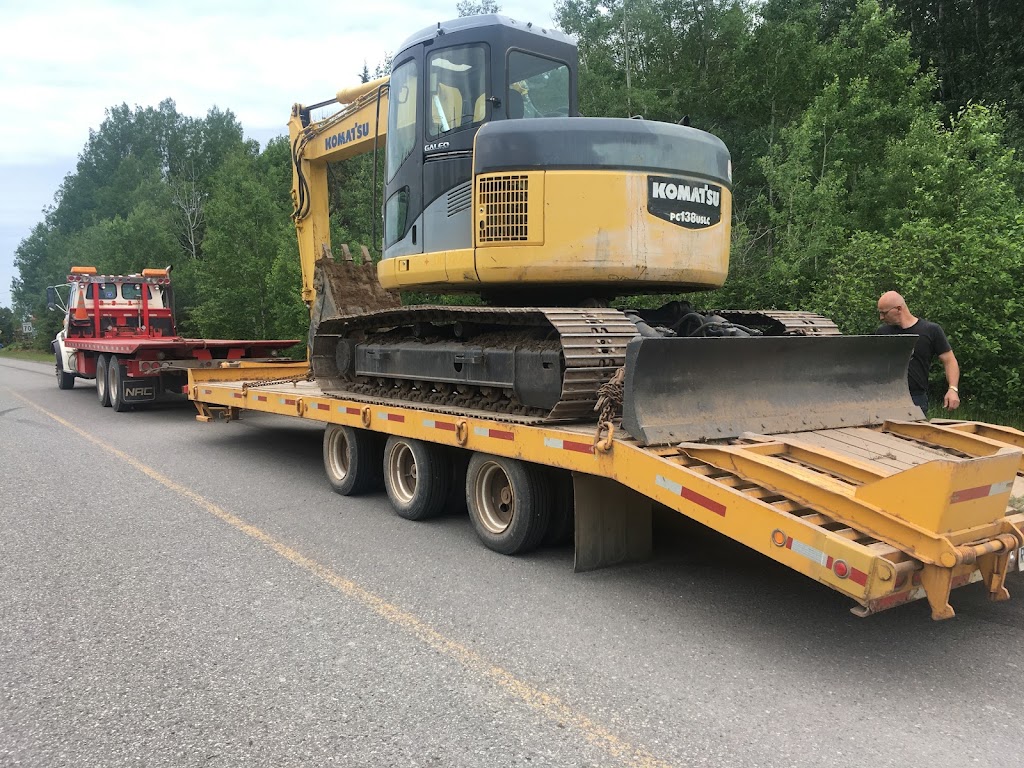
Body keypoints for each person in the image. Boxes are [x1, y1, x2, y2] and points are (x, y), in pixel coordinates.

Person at [875, 290, 960, 413]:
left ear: (899, 309)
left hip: (916, 398)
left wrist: (953, 389)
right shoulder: (883, 333)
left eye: (884, 313)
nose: (881, 318)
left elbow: (949, 361)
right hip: (887, 397)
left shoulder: (930, 330)